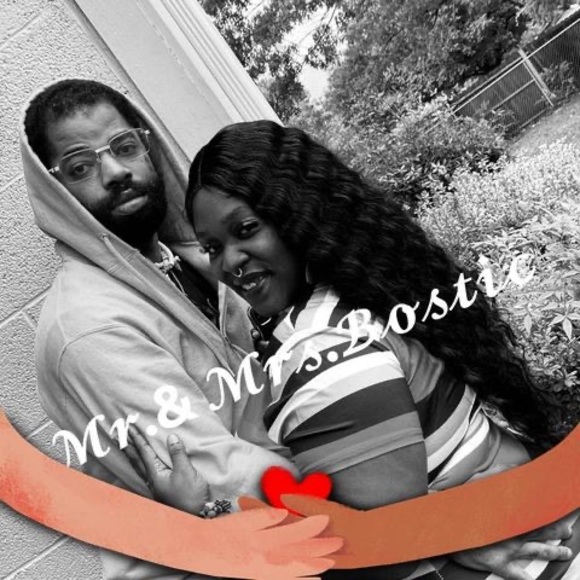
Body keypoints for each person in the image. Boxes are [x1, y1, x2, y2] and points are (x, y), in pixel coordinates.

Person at [135, 119, 579, 579]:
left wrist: (208, 513)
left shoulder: (320, 345)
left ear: (299, 214)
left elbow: (377, 558)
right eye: (212, 247)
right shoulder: (369, 290)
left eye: (246, 229)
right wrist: (456, 527)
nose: (229, 261)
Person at [20, 79, 338, 580]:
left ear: (148, 147)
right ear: (56, 193)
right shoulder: (86, 327)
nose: (116, 171)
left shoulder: (199, 259)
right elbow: (214, 476)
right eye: (81, 166)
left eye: (125, 146)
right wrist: (362, 469)